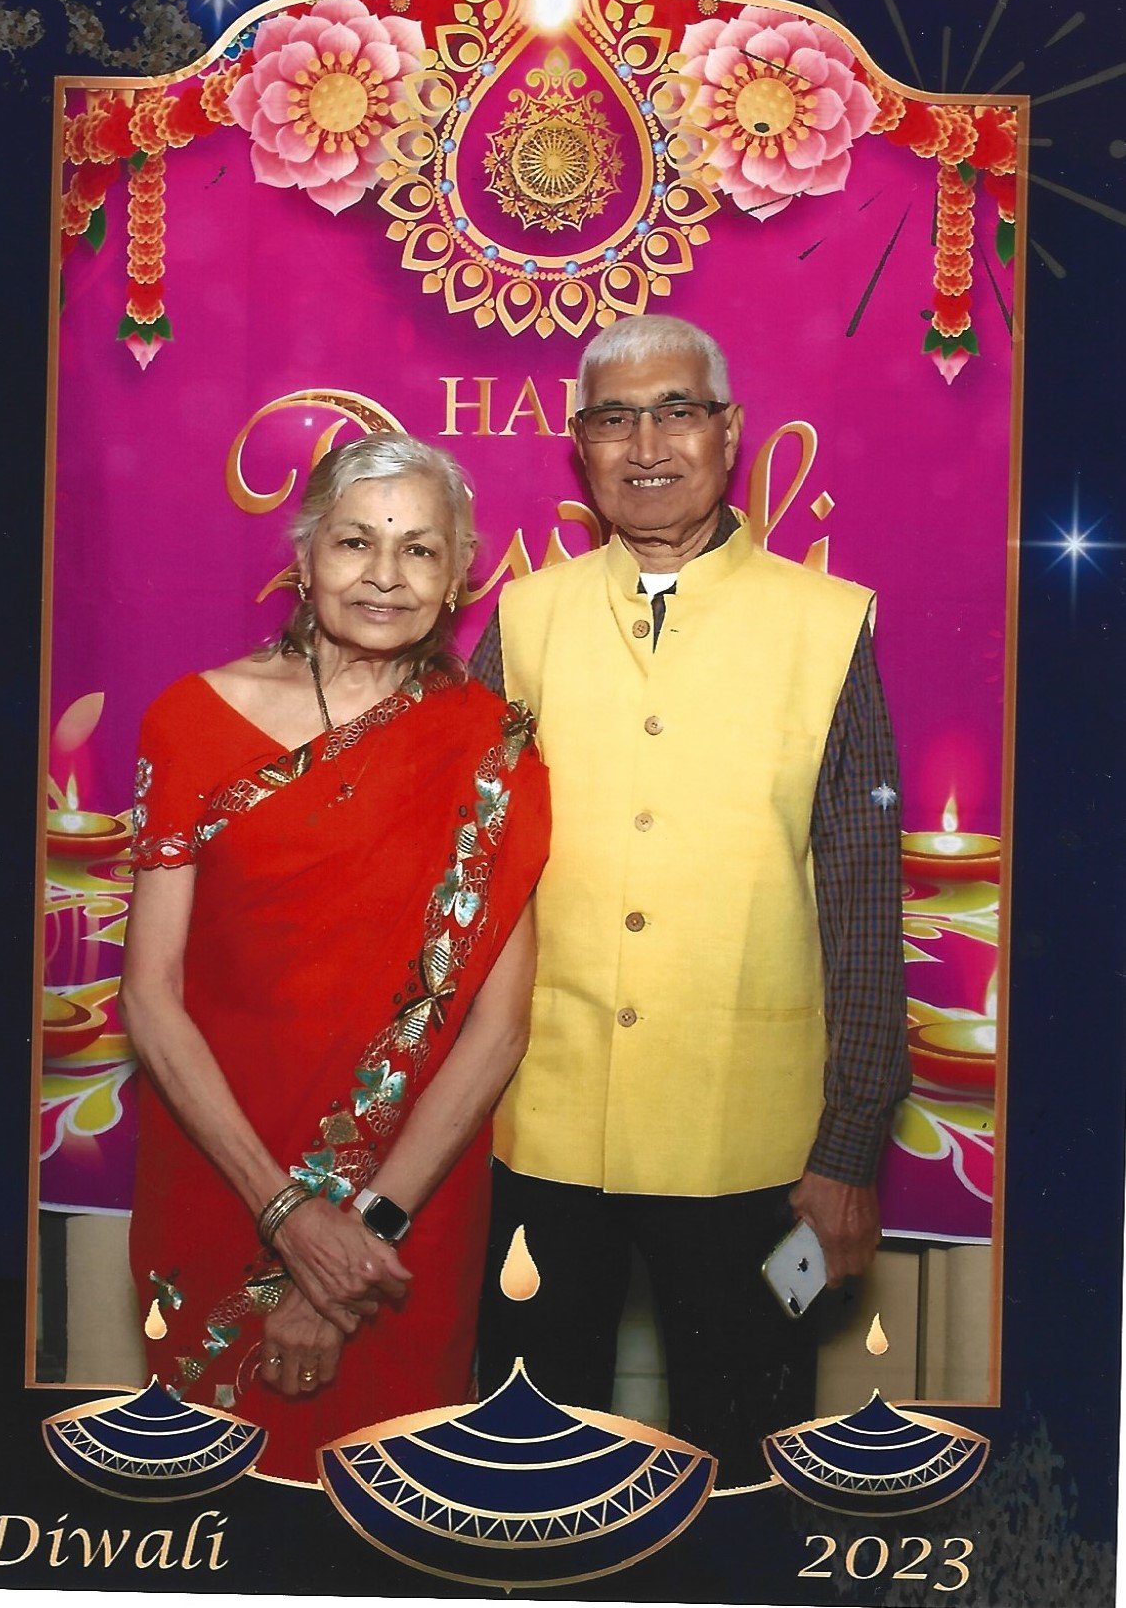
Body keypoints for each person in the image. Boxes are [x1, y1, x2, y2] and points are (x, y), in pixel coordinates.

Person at [473, 315, 909, 1484]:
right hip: (541, 1129)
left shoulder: (826, 623)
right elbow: (469, 870)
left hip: (757, 1147)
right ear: (580, 445)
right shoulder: (522, 620)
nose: (646, 444)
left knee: (746, 1467)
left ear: (729, 431)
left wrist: (849, 1145)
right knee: (527, 1472)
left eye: (676, 411)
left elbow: (864, 903)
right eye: (614, 418)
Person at [121, 435, 549, 1483]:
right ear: (305, 555)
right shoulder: (191, 720)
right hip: (220, 1175)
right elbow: (150, 995)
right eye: (356, 542)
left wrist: (355, 1240)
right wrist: (283, 1212)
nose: (385, 575)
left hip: (404, 1212)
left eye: (419, 549)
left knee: (390, 1506)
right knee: (211, 1504)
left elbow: (497, 1028)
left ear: (459, 576)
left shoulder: (492, 747)